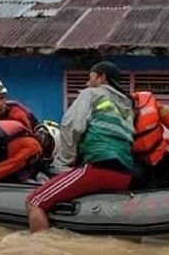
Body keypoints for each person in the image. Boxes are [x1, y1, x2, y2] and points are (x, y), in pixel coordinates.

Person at [27, 61, 134, 233]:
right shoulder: (127, 106)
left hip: (99, 169)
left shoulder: (91, 94)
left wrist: (64, 162)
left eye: (90, 78)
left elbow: (72, 126)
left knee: (34, 202)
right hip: (125, 174)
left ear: (102, 77)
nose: (87, 83)